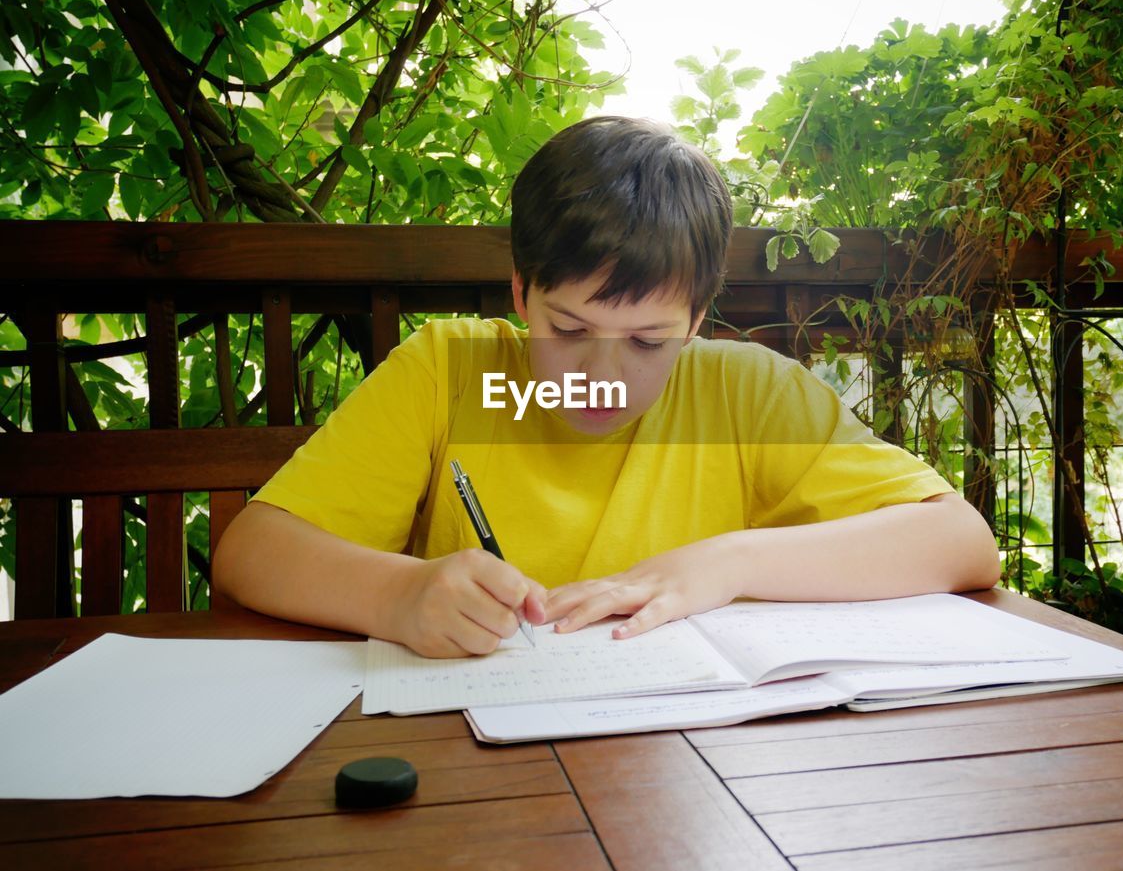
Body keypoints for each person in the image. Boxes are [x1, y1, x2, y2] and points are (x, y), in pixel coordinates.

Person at [213, 116, 999, 657]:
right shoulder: (452, 373)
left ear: (696, 319)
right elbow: (252, 553)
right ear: (521, 295)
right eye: (571, 329)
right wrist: (401, 595)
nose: (602, 374)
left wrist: (724, 564)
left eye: (649, 341)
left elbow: (962, 541)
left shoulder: (746, 393)